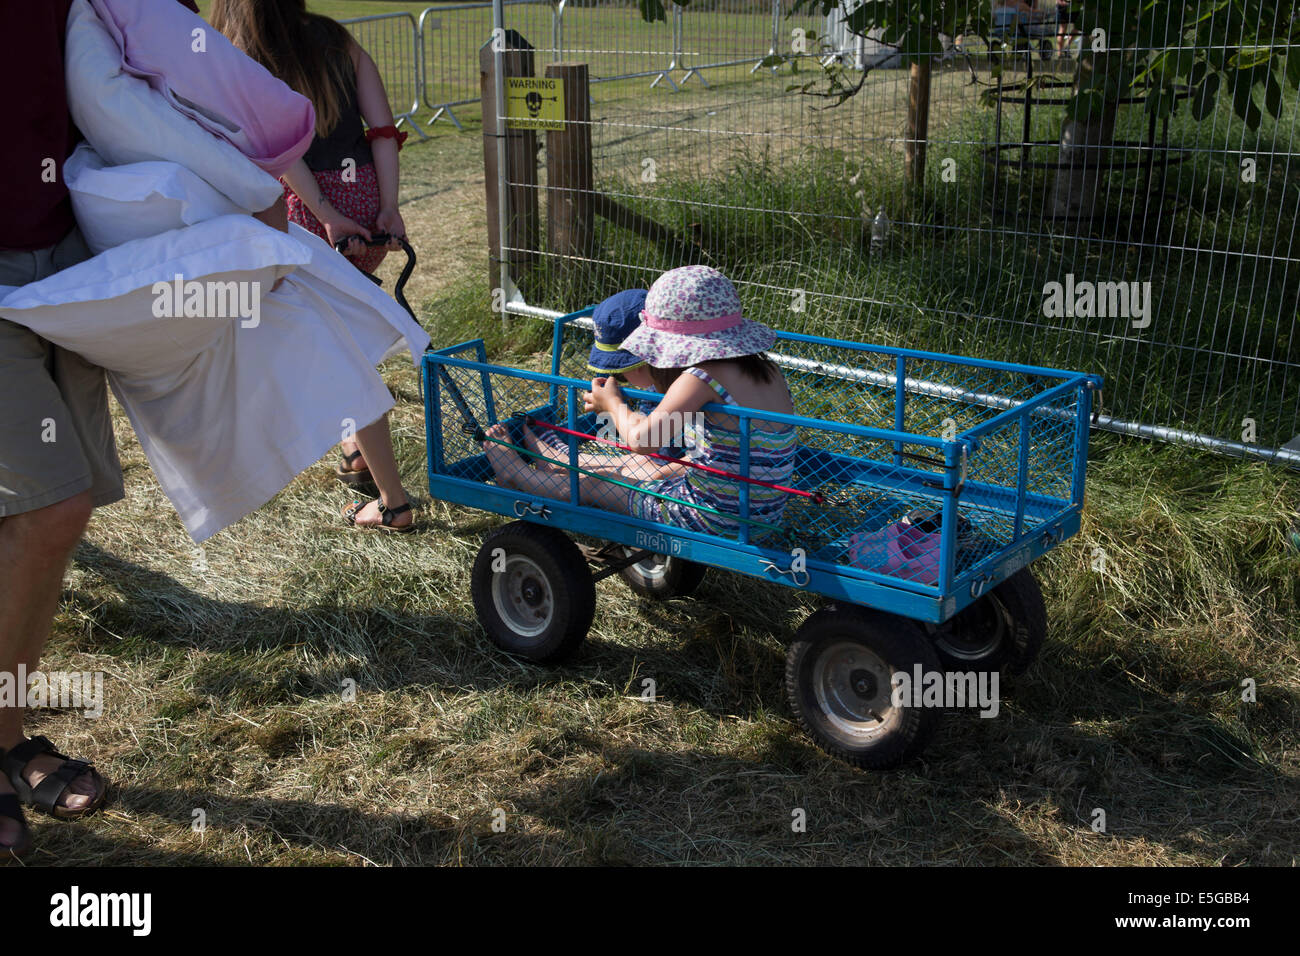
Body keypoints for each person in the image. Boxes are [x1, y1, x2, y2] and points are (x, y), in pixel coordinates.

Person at [0, 0, 217, 859]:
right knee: (51, 509)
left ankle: (7, 735)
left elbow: (177, 64)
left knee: (49, 519)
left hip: (67, 258)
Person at [211, 0, 410, 495]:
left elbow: (277, 151)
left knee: (331, 345)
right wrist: (388, 207)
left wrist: (325, 213)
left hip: (304, 213)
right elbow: (383, 132)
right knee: (341, 328)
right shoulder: (339, 39)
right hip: (365, 200)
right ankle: (354, 444)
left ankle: (389, 494)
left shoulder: (243, 56)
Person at [483, 266, 798, 542]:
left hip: (713, 518)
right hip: (763, 515)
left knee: (598, 485)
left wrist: (612, 404)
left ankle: (517, 476)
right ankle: (555, 460)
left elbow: (644, 440)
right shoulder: (768, 370)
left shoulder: (701, 377)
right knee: (646, 468)